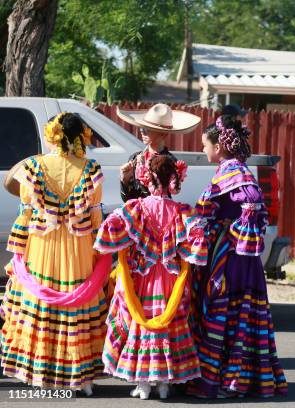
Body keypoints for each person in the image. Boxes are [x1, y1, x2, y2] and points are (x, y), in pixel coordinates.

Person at [1, 113, 109, 394]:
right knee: (78, 301)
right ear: (81, 137)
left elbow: (24, 214)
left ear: (52, 135)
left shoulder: (33, 167)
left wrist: (20, 248)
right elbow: (96, 220)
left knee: (42, 297)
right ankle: (81, 378)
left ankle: (39, 372)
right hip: (78, 248)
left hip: (42, 246)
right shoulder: (91, 169)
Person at [188, 115, 287, 399]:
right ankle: (241, 379)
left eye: (205, 145)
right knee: (236, 312)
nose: (203, 150)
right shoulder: (231, 169)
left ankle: (229, 382)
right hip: (236, 255)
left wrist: (236, 235)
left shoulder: (234, 172)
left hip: (233, 258)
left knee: (226, 310)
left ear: (218, 147)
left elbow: (253, 201)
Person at [94, 155, 207, 400]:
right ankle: (164, 383)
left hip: (143, 278)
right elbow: (197, 235)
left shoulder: (137, 207)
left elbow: (111, 227)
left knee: (142, 321)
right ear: (173, 180)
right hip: (170, 278)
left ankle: (143, 383)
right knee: (168, 323)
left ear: (150, 179)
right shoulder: (182, 210)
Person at [117, 103, 201, 201]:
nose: (141, 132)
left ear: (163, 134)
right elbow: (127, 200)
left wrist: (143, 171)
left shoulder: (169, 162)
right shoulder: (135, 158)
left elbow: (158, 199)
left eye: (147, 129)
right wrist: (125, 180)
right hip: (137, 214)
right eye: (141, 128)